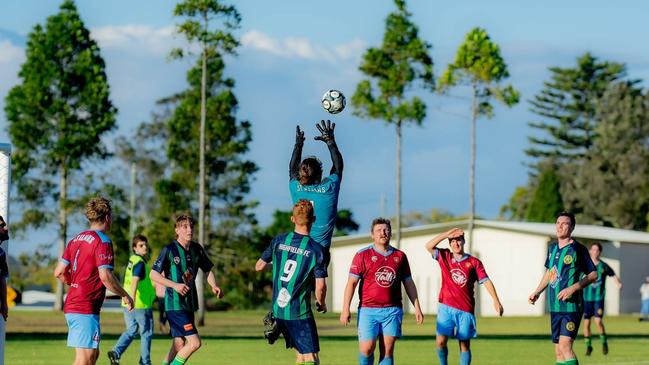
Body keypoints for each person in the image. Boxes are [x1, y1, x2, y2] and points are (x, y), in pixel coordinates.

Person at [53, 197, 134, 365]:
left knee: (93, 355)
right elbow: (106, 276)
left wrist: (76, 284)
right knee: (86, 359)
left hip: (74, 303)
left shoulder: (75, 239)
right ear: (107, 217)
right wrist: (125, 295)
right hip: (84, 306)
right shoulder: (103, 241)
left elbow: (59, 272)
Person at [340, 218, 424, 365]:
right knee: (367, 349)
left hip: (392, 310)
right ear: (372, 235)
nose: (383, 233)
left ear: (390, 233)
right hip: (368, 310)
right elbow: (351, 284)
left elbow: (408, 283)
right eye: (379, 230)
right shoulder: (362, 255)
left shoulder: (400, 256)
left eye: (386, 230)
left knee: (387, 351)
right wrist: (345, 309)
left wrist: (417, 307)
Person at [255, 200, 327, 365]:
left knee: (300, 356)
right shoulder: (316, 250)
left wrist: (278, 268)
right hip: (299, 313)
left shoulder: (279, 240)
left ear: (292, 219)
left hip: (279, 311)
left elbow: (259, 266)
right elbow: (320, 286)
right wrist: (321, 303)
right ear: (313, 219)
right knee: (311, 358)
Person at [150, 215, 224, 365]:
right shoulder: (169, 250)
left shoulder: (197, 249)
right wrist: (174, 285)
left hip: (189, 305)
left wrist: (213, 285)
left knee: (178, 345)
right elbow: (153, 274)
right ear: (177, 230)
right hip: (175, 305)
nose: (189, 229)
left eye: (191, 226)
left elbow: (208, 270)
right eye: (185, 226)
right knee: (195, 343)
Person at [425, 227, 504, 365]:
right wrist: (445, 234)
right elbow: (428, 246)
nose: (456, 244)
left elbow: (486, 281)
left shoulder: (474, 262)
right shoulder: (445, 256)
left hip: (465, 310)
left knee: (464, 345)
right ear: (449, 244)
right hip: (446, 307)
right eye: (453, 241)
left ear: (464, 241)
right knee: (440, 342)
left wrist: (495, 300)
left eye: (458, 240)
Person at [529, 212, 597, 365]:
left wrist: (573, 288)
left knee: (565, 346)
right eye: (558, 222)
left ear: (572, 227)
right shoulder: (552, 248)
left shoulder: (578, 249)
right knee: (558, 351)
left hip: (571, 307)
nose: (560, 226)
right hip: (555, 306)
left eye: (565, 223)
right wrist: (537, 292)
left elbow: (593, 275)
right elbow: (550, 272)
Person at [289, 120, 343, 268]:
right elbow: (338, 167)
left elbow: (292, 170)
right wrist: (330, 142)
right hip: (321, 252)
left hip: (299, 250)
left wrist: (298, 144)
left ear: (301, 174)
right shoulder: (329, 188)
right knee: (319, 289)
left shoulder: (296, 188)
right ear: (319, 173)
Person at [108, 235, 156, 365]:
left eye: (145, 244)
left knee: (132, 330)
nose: (144, 247)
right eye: (141, 245)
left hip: (127, 303)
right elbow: (134, 282)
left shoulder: (132, 260)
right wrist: (133, 300)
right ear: (135, 248)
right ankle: (145, 362)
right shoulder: (140, 263)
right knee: (146, 333)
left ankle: (116, 352)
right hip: (139, 304)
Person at [581, 242, 622, 356]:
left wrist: (618, 283)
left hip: (598, 298)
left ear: (600, 252)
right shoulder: (585, 265)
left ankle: (604, 342)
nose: (595, 252)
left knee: (598, 321)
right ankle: (588, 346)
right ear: (590, 251)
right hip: (586, 299)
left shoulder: (603, 266)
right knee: (586, 323)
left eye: (597, 250)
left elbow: (612, 274)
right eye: (593, 250)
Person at [0, 215, 9, 322]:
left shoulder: (1, 253)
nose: (5, 229)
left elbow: (2, 279)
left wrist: (4, 304)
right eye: (1, 226)